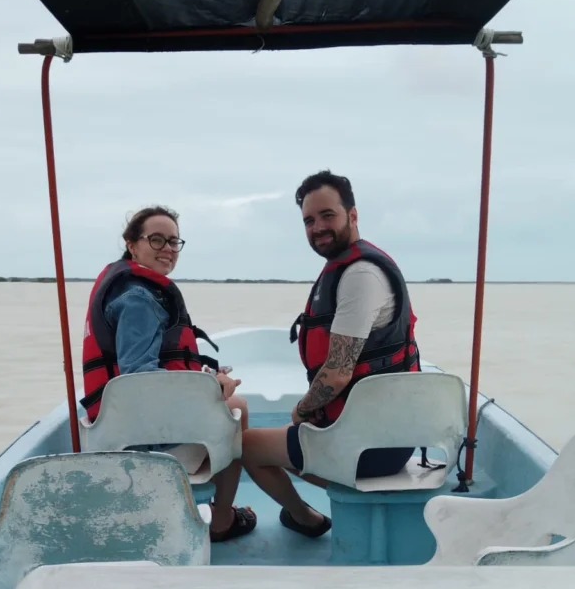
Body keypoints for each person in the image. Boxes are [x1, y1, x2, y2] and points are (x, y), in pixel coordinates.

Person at [242, 171, 420, 537]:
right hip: (384, 432)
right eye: (309, 220)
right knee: (294, 432)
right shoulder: (348, 268)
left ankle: (305, 518)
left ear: (352, 216)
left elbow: (338, 373)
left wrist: (301, 411)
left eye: (327, 215)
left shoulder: (360, 276)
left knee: (245, 446)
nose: (318, 227)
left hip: (370, 447)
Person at [80, 205, 257, 542]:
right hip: (140, 442)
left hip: (115, 428)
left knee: (228, 400)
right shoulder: (138, 300)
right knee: (239, 410)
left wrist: (199, 375)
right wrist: (212, 387)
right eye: (156, 240)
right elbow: (140, 383)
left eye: (174, 242)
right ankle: (221, 521)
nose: (167, 249)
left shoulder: (130, 290)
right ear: (132, 245)